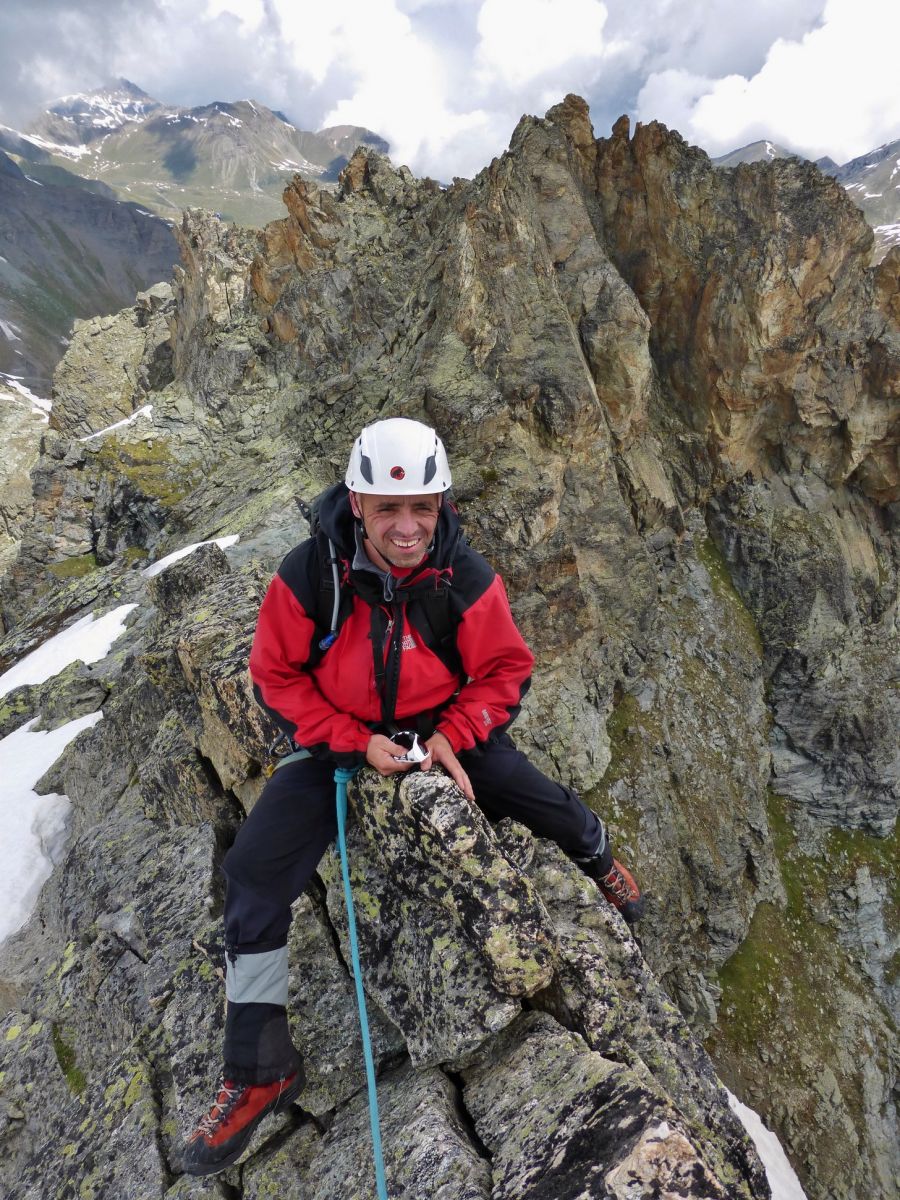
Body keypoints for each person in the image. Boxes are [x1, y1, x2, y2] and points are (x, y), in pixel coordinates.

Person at [182, 417, 643, 1176]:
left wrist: (454, 736)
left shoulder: (464, 576)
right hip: (344, 739)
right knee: (254, 875)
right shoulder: (309, 576)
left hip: (440, 730)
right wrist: (350, 740)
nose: (406, 527)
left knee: (536, 797)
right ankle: (260, 1066)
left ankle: (597, 854)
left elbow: (505, 671)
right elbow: (276, 678)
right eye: (388, 509)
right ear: (357, 502)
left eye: (421, 509)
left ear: (440, 505)